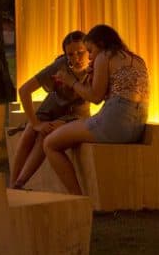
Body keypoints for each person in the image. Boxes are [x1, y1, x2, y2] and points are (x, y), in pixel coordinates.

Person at [43, 24, 149, 195]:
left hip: (114, 122)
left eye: (90, 50)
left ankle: (78, 198)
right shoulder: (136, 59)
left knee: (50, 143)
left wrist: (71, 82)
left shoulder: (104, 56)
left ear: (100, 43)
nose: (90, 57)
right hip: (136, 126)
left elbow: (95, 97)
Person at [8, 30, 92, 190]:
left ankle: (20, 182)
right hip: (52, 107)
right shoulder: (60, 66)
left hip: (74, 113)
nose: (76, 58)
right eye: (70, 54)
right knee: (29, 132)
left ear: (88, 50)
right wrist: (35, 123)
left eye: (80, 53)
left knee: (45, 135)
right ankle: (12, 184)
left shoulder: (95, 68)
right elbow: (24, 90)